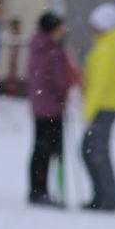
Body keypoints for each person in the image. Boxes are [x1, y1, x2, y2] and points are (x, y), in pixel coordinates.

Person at [81, 1, 115, 212]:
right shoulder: (109, 44)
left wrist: (88, 110)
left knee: (96, 153)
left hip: (104, 107)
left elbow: (100, 84)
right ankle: (101, 196)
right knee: (92, 151)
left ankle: (107, 199)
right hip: (106, 105)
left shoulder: (108, 48)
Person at [27, 10, 80, 206]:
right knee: (51, 150)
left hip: (39, 106)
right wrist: (66, 87)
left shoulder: (37, 47)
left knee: (39, 150)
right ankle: (48, 191)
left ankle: (37, 190)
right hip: (52, 108)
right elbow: (61, 80)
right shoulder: (54, 52)